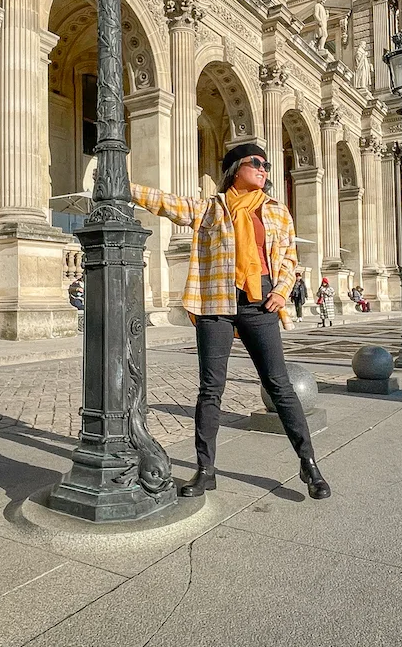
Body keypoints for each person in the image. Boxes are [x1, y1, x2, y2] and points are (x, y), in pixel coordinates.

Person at [131, 143, 331, 500]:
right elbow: (168, 204)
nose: (265, 169)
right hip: (216, 303)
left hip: (260, 302)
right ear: (236, 168)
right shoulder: (212, 207)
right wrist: (124, 186)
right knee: (211, 388)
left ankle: (309, 464)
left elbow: (288, 256)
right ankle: (206, 470)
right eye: (257, 163)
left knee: (280, 385)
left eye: (267, 165)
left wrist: (282, 291)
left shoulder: (276, 211)